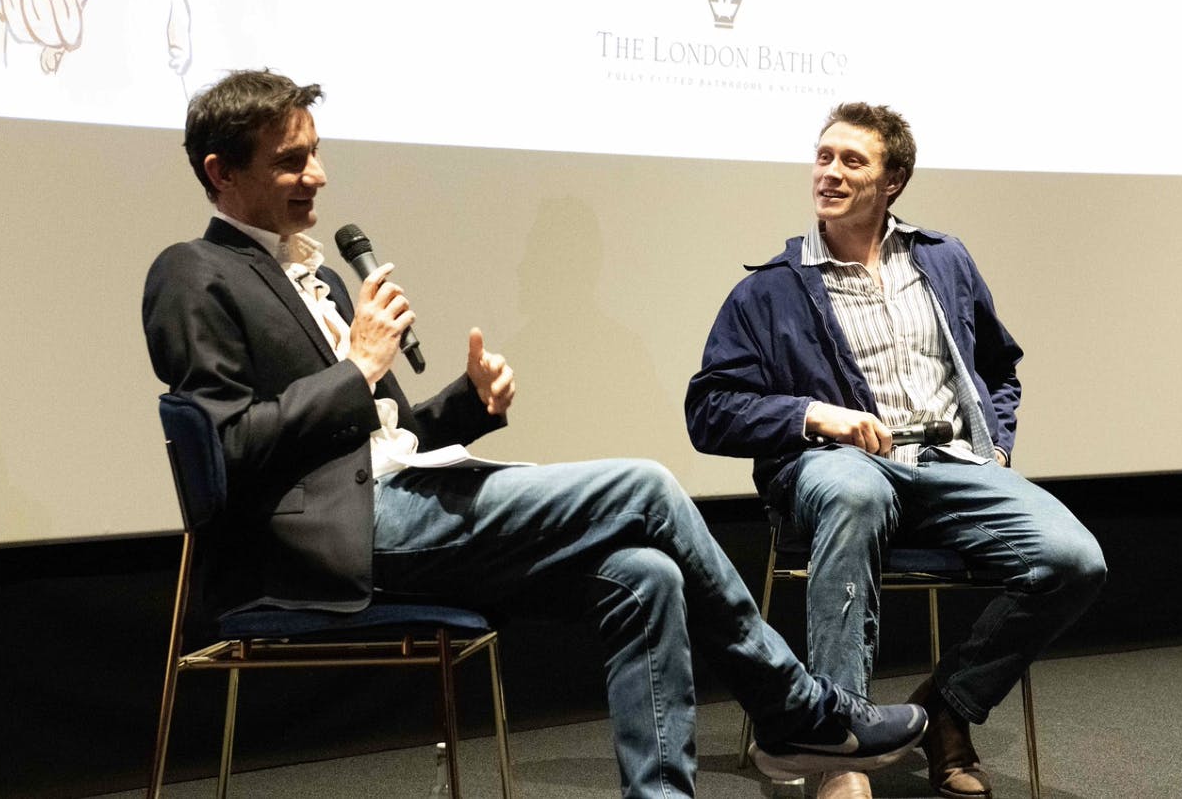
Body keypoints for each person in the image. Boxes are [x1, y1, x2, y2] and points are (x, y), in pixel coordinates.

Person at [142, 70, 928, 799]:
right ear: (221, 173)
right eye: (290, 162)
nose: (315, 176)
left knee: (647, 571)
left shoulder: (314, 274)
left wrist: (468, 405)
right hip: (323, 545)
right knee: (645, 485)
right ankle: (796, 709)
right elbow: (229, 448)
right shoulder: (192, 274)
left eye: (314, 156)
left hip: (396, 500)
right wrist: (356, 368)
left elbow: (383, 436)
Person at [685, 103, 1106, 799]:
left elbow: (999, 367)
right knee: (856, 490)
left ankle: (949, 705)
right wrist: (817, 417)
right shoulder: (769, 290)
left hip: (950, 464)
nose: (830, 172)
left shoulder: (944, 259)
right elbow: (710, 410)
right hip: (840, 468)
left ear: (894, 182)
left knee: (1074, 560)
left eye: (853, 161)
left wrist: (995, 444)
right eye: (824, 157)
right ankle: (837, 746)